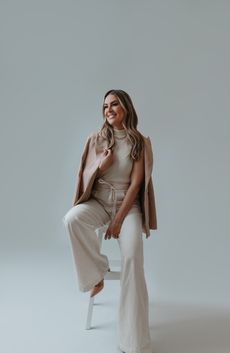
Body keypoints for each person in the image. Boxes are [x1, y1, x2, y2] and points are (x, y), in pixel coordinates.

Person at [62, 89, 157, 353]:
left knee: (133, 259)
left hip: (128, 206)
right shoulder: (96, 139)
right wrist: (100, 168)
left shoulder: (139, 142)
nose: (109, 109)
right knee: (72, 219)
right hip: (99, 202)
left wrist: (119, 220)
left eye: (114, 104)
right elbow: (83, 176)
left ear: (126, 107)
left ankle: (134, 341)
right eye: (105, 106)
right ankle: (96, 275)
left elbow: (137, 184)